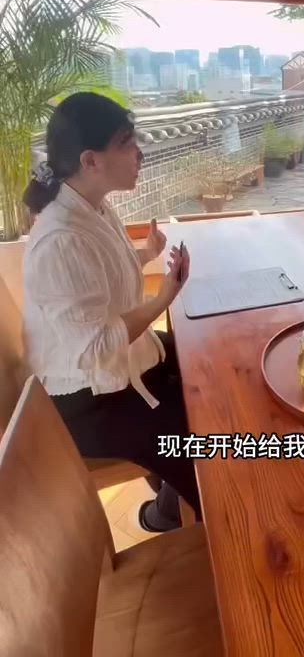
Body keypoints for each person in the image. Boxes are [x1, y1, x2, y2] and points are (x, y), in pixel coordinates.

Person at [22, 92, 197, 532]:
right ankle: (181, 513)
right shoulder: (60, 238)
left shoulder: (91, 205)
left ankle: (166, 502)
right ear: (90, 160)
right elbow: (96, 348)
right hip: (88, 400)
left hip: (117, 370)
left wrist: (145, 254)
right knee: (203, 437)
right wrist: (164, 298)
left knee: (204, 364)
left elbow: (101, 279)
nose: (139, 153)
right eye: (126, 143)